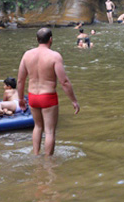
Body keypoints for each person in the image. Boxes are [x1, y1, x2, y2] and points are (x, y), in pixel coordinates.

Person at [17, 27, 79, 155]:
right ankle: (48, 162)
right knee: (49, 131)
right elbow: (64, 82)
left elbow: (20, 80)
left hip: (33, 96)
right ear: (51, 39)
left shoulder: (27, 55)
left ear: (37, 39)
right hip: (48, 97)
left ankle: (35, 155)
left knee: (38, 126)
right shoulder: (54, 56)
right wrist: (74, 101)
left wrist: (20, 99)